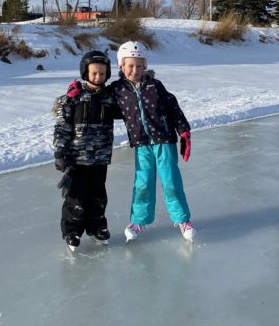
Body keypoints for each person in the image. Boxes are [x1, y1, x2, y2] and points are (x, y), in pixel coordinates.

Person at [68, 40, 195, 242]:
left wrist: (184, 131)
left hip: (164, 141)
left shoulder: (155, 85)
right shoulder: (117, 90)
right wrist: (79, 91)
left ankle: (182, 220)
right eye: (130, 66)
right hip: (141, 145)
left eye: (139, 65)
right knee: (143, 183)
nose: (134, 70)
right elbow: (96, 95)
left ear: (145, 66)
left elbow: (173, 107)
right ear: (121, 66)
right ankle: (139, 220)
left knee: (171, 181)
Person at [53, 50, 121, 251]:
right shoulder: (74, 98)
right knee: (76, 196)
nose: (98, 77)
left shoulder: (110, 97)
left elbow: (129, 103)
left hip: (100, 158)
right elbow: (62, 127)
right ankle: (72, 231)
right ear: (85, 73)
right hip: (77, 158)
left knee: (98, 195)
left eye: (102, 73)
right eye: (94, 73)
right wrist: (60, 152)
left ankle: (97, 227)